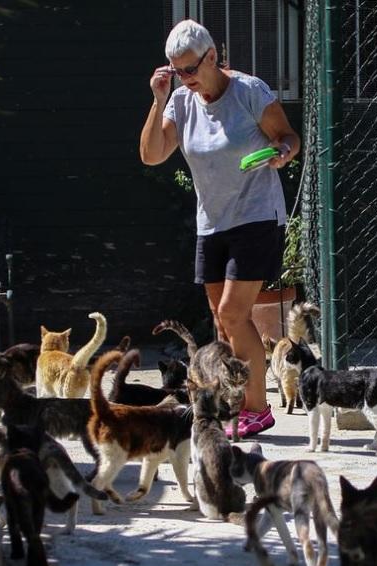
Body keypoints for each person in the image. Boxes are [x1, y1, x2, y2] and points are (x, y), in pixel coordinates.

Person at [140, 19, 300, 439]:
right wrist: (159, 101)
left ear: (212, 56)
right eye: (177, 72)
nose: (186, 79)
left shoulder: (249, 91)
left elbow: (287, 136)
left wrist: (282, 153)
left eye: (191, 69)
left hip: (256, 215)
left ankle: (258, 408)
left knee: (234, 313)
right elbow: (152, 155)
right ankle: (233, 400)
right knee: (219, 317)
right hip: (212, 221)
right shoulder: (180, 101)